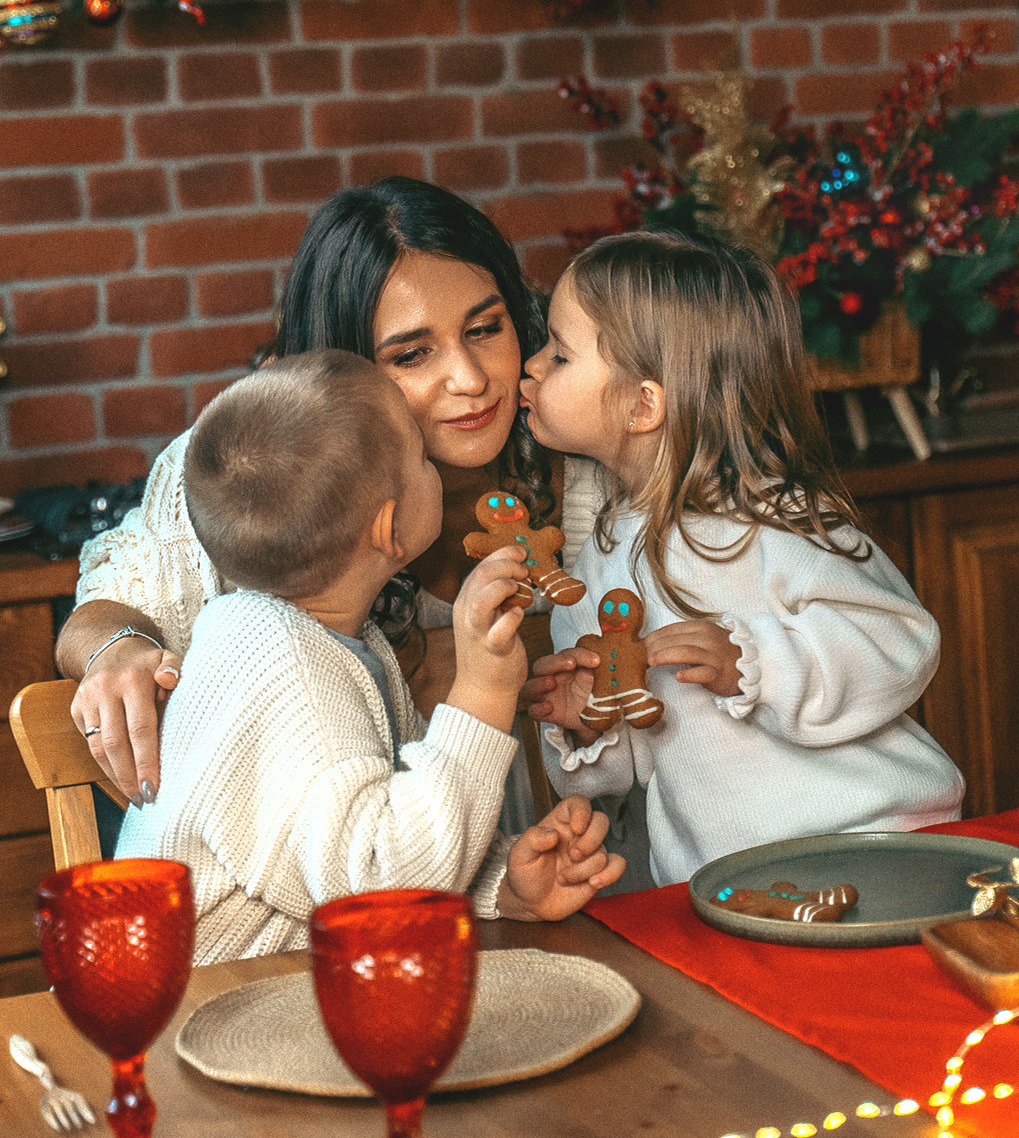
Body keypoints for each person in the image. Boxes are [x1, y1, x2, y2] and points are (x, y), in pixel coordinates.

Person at [57, 178, 600, 812]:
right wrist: (117, 650)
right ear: (346, 364)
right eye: (412, 354)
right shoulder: (267, 467)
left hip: (562, 857)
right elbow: (101, 610)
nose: (471, 379)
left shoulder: (581, 446)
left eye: (484, 329)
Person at [118, 352, 623, 961]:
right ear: (387, 529)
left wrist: (503, 889)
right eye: (418, 454)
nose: (432, 463)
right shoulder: (285, 668)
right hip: (197, 1007)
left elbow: (378, 837)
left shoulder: (340, 642)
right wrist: (483, 692)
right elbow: (386, 881)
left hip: (292, 983)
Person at [521, 232, 965, 885]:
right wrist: (586, 723)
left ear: (644, 404)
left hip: (878, 841)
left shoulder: (771, 518)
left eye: (559, 354)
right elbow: (629, 766)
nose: (529, 366)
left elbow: (900, 642)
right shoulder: (596, 562)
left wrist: (751, 662)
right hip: (735, 882)